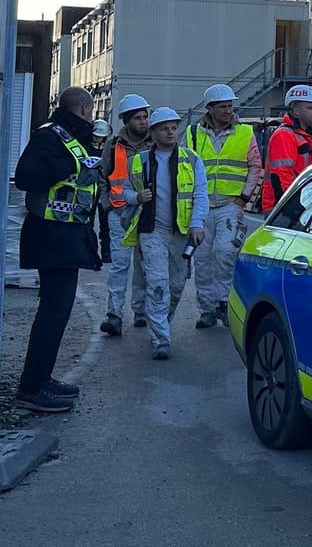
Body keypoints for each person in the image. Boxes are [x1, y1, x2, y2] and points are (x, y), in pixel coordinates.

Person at [11, 88, 106, 413]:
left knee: (57, 314)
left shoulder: (71, 138)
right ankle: (31, 389)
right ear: (83, 109)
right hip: (52, 238)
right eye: (91, 112)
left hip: (65, 238)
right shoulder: (51, 137)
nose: (93, 119)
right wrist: (66, 164)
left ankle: (41, 379)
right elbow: (25, 176)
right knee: (52, 315)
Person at [125, 108, 208, 360]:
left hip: (180, 232)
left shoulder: (191, 160)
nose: (170, 132)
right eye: (164, 128)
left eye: (173, 127)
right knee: (158, 284)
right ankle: (160, 337)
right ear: (153, 133)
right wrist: (137, 196)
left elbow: (199, 195)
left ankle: (162, 321)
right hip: (152, 231)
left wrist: (196, 223)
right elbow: (125, 193)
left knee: (176, 286)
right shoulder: (138, 161)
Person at [186, 83, 262, 329]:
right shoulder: (193, 134)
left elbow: (255, 166)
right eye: (223, 107)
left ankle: (224, 303)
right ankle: (207, 309)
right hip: (202, 205)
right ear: (210, 108)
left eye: (230, 106)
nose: (228, 111)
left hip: (231, 204)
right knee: (203, 259)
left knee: (226, 254)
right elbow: (185, 168)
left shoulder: (244, 132)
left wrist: (244, 198)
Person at [99, 94, 152, 338]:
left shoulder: (155, 142)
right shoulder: (114, 144)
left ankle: (140, 311)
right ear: (127, 121)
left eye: (145, 117)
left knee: (143, 266)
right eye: (138, 118)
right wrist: (105, 203)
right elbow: (103, 175)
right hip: (120, 212)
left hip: (146, 213)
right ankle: (114, 315)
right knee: (120, 265)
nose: (143, 122)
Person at [263, 85, 312, 213]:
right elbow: (282, 176)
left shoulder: (310, 136)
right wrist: (294, 206)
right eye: (310, 108)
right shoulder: (284, 135)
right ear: (296, 111)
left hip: (302, 202)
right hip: (283, 207)